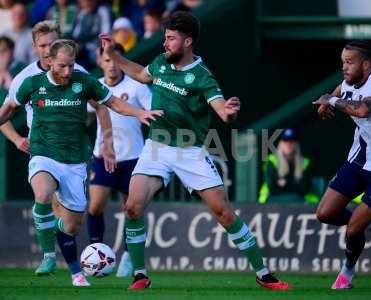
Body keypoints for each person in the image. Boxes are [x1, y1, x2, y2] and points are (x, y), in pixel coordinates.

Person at [100, 11, 290, 290]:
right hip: (156, 147)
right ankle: (140, 275)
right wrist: (114, 56)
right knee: (132, 207)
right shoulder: (161, 63)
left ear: (188, 42)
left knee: (223, 213)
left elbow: (222, 112)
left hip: (190, 152)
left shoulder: (202, 77)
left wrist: (231, 113)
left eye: (171, 39)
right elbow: (141, 74)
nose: (165, 44)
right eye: (165, 38)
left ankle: (264, 274)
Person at [0, 39, 162, 286]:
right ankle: (48, 256)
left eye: (71, 66)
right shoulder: (32, 84)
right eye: (62, 66)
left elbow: (113, 104)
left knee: (73, 226)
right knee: (43, 194)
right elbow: (9, 108)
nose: (67, 72)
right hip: (44, 153)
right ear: (50, 61)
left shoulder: (84, 81)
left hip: (75, 161)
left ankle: (49, 225)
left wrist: (139, 113)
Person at [313, 40, 371, 289]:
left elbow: (362, 110)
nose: (344, 67)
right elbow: (340, 89)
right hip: (359, 160)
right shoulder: (351, 80)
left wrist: (330, 101)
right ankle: (365, 220)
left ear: (367, 64)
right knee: (324, 214)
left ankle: (347, 273)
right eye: (343, 62)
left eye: (349, 62)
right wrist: (325, 101)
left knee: (352, 232)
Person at [87, 43, 152, 278]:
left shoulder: (136, 86)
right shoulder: (95, 87)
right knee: (94, 206)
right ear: (100, 62)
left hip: (133, 157)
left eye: (115, 60)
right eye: (106, 60)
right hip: (102, 156)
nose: (112, 65)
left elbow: (152, 111)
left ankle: (127, 255)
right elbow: (84, 117)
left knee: (132, 209)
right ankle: (96, 249)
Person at [258, 128, 317, 204]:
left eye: (292, 141)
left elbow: (305, 188)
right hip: (273, 201)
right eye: (285, 141)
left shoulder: (304, 162)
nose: (288, 144)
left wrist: (284, 183)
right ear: (281, 143)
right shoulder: (272, 161)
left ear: (296, 144)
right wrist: (294, 184)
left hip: (298, 201)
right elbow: (272, 187)